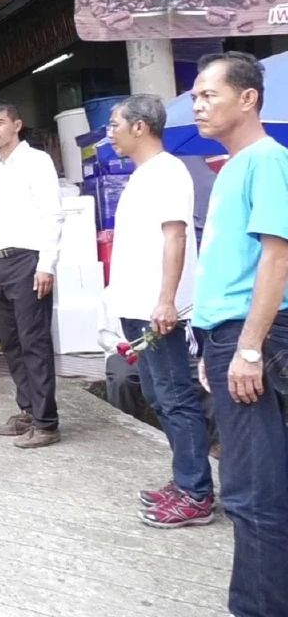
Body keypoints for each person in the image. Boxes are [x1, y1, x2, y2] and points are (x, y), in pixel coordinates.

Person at [190, 51, 288, 617]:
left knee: (252, 492)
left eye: (209, 94)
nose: (199, 104)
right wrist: (216, 344)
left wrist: (248, 346)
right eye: (197, 96)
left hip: (255, 341)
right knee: (257, 485)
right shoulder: (235, 167)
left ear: (248, 98)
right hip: (230, 337)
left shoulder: (266, 160)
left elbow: (278, 257)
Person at [107, 94, 214, 527]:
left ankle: (196, 494)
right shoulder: (142, 176)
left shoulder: (168, 171)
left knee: (175, 397)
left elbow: (176, 237)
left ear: (139, 127)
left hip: (158, 307)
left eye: (115, 124)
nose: (109, 132)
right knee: (157, 394)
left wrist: (167, 299)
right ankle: (185, 478)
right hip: (137, 305)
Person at [0, 102, 64, 447]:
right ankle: (27, 409)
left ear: (17, 125)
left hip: (29, 260)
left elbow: (52, 214)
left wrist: (47, 264)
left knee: (34, 342)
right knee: (11, 343)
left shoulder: (36, 161)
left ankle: (46, 422)